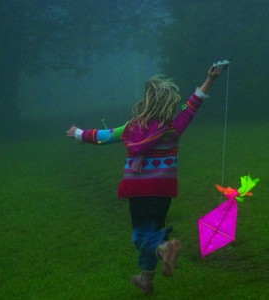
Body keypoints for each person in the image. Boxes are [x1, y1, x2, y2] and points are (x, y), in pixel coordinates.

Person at [66, 65, 226, 294]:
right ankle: (145, 280)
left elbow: (105, 136)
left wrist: (79, 133)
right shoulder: (173, 128)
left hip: (139, 192)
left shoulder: (132, 128)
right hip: (163, 193)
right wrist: (209, 79)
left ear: (147, 102)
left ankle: (164, 250)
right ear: (167, 104)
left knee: (142, 236)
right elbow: (193, 106)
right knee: (153, 231)